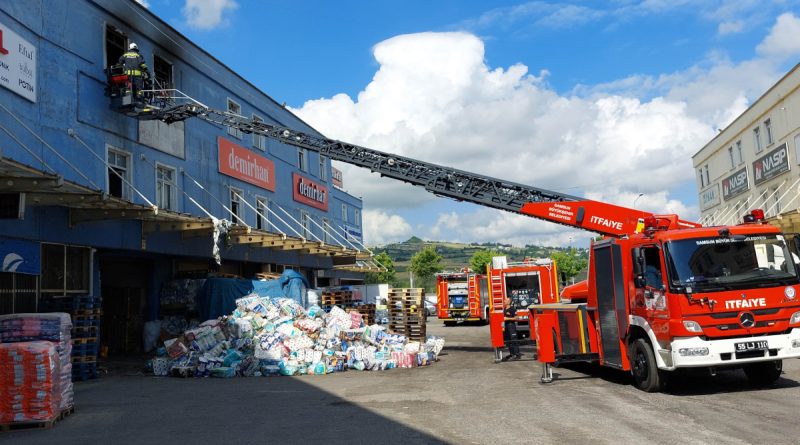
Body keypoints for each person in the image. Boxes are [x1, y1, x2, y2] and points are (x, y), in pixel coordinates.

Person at [502, 296, 522, 360]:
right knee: (508, 341)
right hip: (506, 326)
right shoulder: (504, 309)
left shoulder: (512, 309)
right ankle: (512, 354)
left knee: (514, 340)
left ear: (509, 302)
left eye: (505, 300)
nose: (504, 301)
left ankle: (517, 355)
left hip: (511, 326)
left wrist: (508, 318)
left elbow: (517, 318)